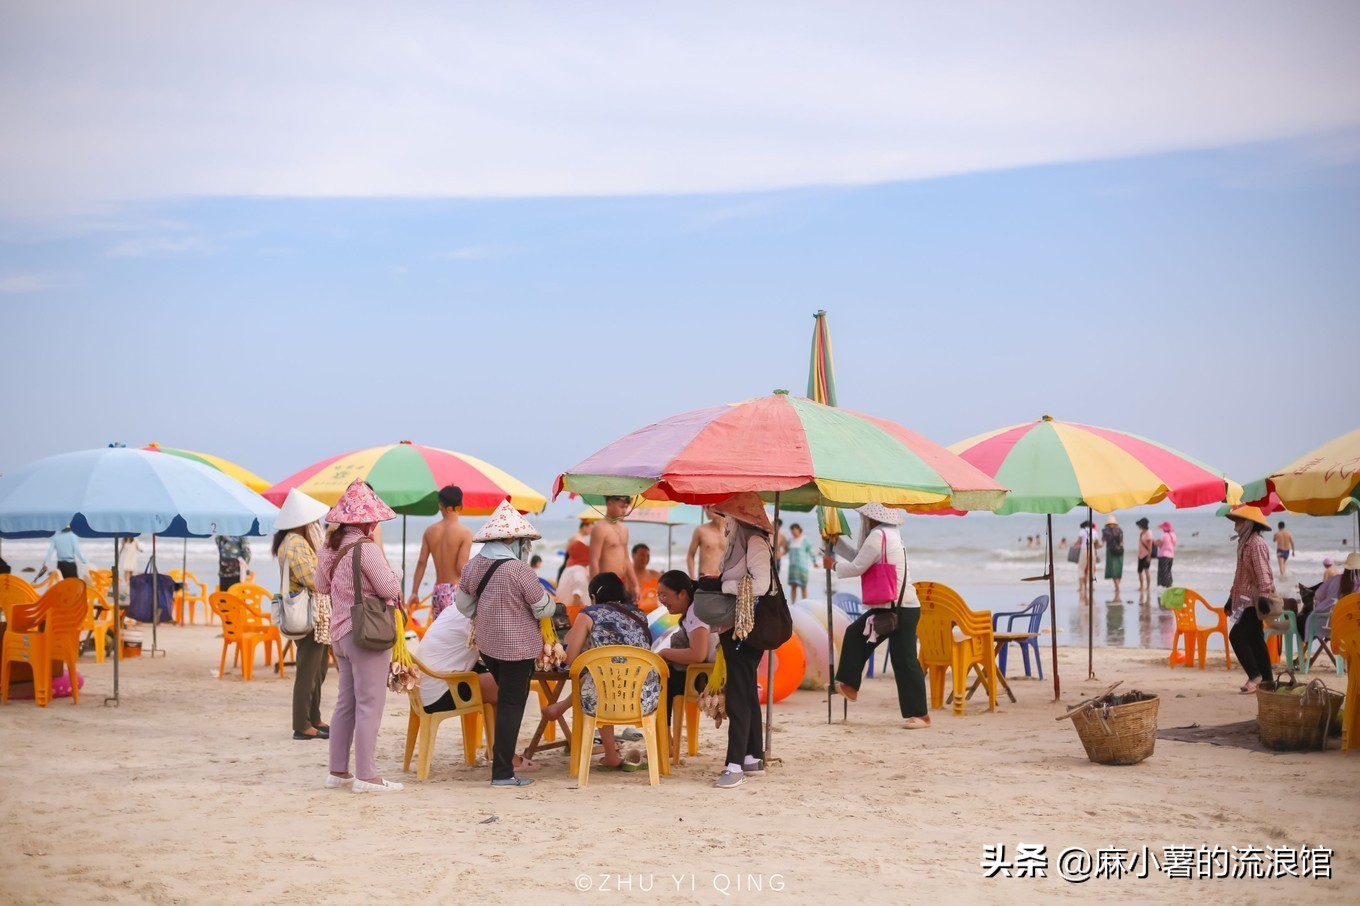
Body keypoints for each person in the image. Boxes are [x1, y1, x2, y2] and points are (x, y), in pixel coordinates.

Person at [456, 500, 555, 788]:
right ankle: (501, 772)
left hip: (489, 647)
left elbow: (463, 606)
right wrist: (549, 603)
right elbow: (542, 608)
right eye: (523, 541)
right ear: (511, 538)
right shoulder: (518, 569)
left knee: (508, 702)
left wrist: (489, 610)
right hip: (519, 649)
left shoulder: (473, 565)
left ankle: (501, 765)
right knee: (512, 705)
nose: (525, 546)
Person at [315, 479, 404, 792]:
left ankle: (338, 771)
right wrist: (397, 575)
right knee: (370, 703)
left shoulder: (330, 546)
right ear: (368, 519)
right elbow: (390, 589)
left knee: (346, 703)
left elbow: (321, 586)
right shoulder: (366, 549)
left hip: (339, 633)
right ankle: (366, 775)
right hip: (365, 632)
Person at [825, 503, 930, 731]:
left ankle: (920, 715)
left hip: (898, 607)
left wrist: (833, 565)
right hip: (898, 605)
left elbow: (857, 567)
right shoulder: (888, 534)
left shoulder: (878, 535)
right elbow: (861, 557)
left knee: (904, 660)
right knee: (894, 655)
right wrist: (837, 544)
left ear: (870, 517)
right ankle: (850, 685)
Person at [543, 572, 657, 771]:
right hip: (645, 696)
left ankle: (610, 755)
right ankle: (561, 707)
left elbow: (568, 660)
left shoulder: (589, 613)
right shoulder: (640, 614)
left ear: (593, 596)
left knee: (601, 678)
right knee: (603, 675)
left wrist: (571, 637)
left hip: (607, 697)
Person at [702, 492, 775, 789]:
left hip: (746, 630)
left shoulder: (755, 542)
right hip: (736, 627)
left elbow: (761, 583)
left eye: (728, 515)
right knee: (744, 691)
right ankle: (751, 756)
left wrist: (724, 585)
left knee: (739, 694)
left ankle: (734, 766)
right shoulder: (739, 541)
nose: (725, 521)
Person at [273, 489, 331, 741]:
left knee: (317, 668)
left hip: (312, 613)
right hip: (308, 614)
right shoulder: (295, 543)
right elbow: (313, 579)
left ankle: (313, 717)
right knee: (309, 670)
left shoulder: (292, 541)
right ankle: (302, 724)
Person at [1225, 506, 1276, 694]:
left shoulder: (1256, 544)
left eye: (1238, 521)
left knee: (1236, 636)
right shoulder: (1244, 543)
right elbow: (1240, 575)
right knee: (1256, 639)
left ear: (1249, 523)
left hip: (1253, 601)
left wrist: (1264, 596)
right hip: (1243, 600)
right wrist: (1231, 598)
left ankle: (1255, 676)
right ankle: (1268, 681)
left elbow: (1264, 573)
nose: (1235, 525)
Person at [655, 569, 717, 714]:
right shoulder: (693, 609)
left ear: (682, 594)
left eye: (664, 595)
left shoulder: (696, 612)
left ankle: (666, 735)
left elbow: (698, 655)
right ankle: (667, 734)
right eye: (659, 596)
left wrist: (664, 653)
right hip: (707, 669)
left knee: (662, 683)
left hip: (714, 674)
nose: (662, 600)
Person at [407, 485, 473, 621]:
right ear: (461, 505)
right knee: (456, 637)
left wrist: (414, 592)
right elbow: (460, 567)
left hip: (437, 592)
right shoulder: (465, 533)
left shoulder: (430, 531)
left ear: (440, 506)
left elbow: (421, 563)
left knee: (440, 634)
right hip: (455, 592)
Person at [589, 495, 638, 601]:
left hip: (622, 583)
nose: (624, 511)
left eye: (626, 507)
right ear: (609, 504)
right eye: (621, 507)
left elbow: (626, 559)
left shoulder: (624, 529)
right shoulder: (600, 528)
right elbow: (594, 560)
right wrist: (595, 588)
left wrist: (635, 584)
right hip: (606, 585)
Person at [556, 520, 592, 605]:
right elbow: (577, 593)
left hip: (568, 566)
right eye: (590, 528)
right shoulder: (579, 540)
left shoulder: (574, 538)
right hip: (575, 566)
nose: (591, 531)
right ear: (584, 526)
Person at [687, 506, 727, 580]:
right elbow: (690, 555)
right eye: (704, 507)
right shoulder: (700, 530)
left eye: (708, 507)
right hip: (705, 577)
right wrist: (692, 577)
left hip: (724, 578)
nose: (705, 510)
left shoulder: (730, 531)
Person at [785, 523, 814, 603]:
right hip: (792, 568)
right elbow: (786, 551)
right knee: (793, 586)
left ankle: (805, 603)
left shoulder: (805, 540)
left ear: (799, 530)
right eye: (792, 531)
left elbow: (811, 551)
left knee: (803, 586)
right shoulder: (790, 541)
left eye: (795, 530)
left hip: (802, 567)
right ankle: (793, 604)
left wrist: (815, 561)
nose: (793, 532)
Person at [1101, 515, 1125, 603]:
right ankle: (1117, 587)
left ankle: (1117, 588)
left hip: (1110, 551)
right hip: (1120, 551)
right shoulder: (1119, 530)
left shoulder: (1105, 531)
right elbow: (1122, 542)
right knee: (1118, 569)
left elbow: (1102, 542)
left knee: (1112, 569)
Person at [1135, 518, 1154, 599]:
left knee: (1146, 570)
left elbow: (1150, 546)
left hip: (1146, 555)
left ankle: (1148, 587)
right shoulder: (1142, 533)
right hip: (1140, 555)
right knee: (1139, 571)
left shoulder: (1149, 533)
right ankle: (1141, 586)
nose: (1138, 526)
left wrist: (1149, 557)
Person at [1156, 521, 1177, 589]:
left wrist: (1155, 542)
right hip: (1171, 556)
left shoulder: (1164, 535)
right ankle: (1170, 583)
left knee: (1163, 572)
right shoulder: (1173, 535)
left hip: (1163, 555)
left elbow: (1159, 543)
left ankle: (1165, 586)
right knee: (1168, 571)